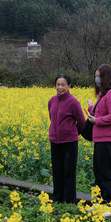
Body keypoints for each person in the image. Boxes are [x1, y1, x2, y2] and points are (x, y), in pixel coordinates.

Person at [87, 64, 111, 205]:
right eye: (95, 76)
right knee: (99, 173)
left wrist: (96, 121)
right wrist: (92, 108)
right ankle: (100, 203)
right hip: (100, 139)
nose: (96, 79)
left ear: (106, 77)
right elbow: (102, 112)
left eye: (99, 76)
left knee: (107, 173)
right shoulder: (103, 94)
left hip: (108, 139)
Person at [48, 74, 85, 203]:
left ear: (69, 86)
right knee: (57, 171)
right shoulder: (51, 101)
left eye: (63, 85)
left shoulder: (73, 102)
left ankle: (69, 202)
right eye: (58, 84)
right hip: (55, 141)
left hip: (70, 142)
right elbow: (52, 118)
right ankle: (57, 199)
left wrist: (73, 134)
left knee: (69, 172)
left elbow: (81, 122)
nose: (60, 87)